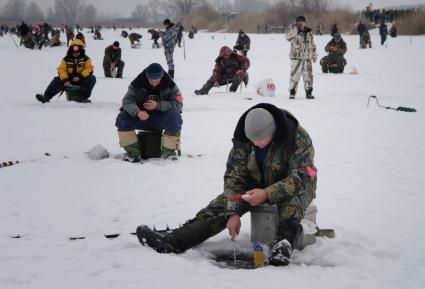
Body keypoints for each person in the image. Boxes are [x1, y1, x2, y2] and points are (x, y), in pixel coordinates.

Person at [136, 103, 317, 267]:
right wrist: (233, 212)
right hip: (255, 184)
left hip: (296, 184)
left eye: (261, 139)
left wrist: (267, 193)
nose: (255, 143)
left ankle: (283, 245)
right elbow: (234, 177)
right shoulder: (243, 139)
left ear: (274, 131)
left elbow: (302, 175)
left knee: (292, 202)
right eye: (252, 140)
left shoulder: (296, 137)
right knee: (221, 205)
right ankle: (174, 240)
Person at [115, 63, 183, 162]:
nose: (154, 83)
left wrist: (158, 105)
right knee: (122, 118)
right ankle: (133, 153)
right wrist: (137, 112)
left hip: (161, 118)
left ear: (162, 76)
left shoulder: (170, 84)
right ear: (147, 77)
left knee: (175, 117)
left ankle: (168, 152)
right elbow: (127, 101)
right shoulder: (137, 83)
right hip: (141, 117)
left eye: (157, 80)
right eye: (151, 80)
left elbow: (178, 104)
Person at [35, 39, 96, 103]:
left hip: (81, 79)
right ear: (70, 50)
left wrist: (80, 77)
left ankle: (83, 98)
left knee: (92, 78)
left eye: (78, 52)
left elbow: (89, 69)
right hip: (68, 80)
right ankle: (46, 97)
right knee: (56, 80)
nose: (76, 53)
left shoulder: (86, 59)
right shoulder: (65, 59)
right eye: (74, 52)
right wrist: (65, 80)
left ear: (81, 51)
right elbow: (61, 70)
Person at [285, 16, 317, 99]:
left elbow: (312, 44)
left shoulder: (309, 32)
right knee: (294, 76)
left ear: (304, 22)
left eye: (302, 22)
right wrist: (294, 28)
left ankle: (308, 92)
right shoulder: (293, 30)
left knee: (308, 77)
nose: (300, 23)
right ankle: (292, 92)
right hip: (296, 58)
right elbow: (288, 37)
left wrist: (314, 55)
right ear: (296, 22)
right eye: (298, 22)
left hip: (307, 58)